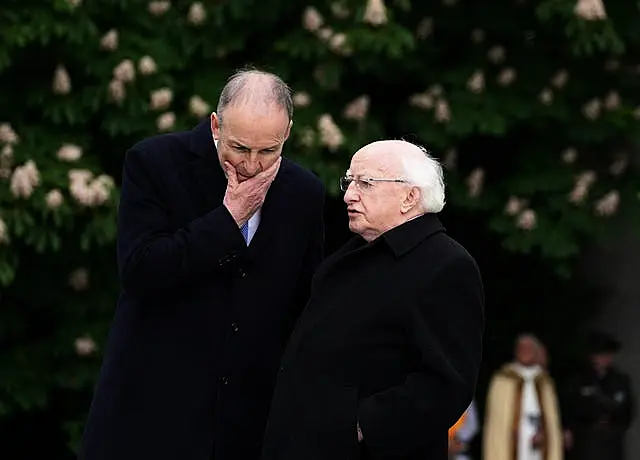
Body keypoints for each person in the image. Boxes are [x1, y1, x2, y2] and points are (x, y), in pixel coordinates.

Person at [79, 69, 326, 460]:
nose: (252, 165)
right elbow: (140, 270)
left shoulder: (305, 193)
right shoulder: (154, 163)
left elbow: (302, 306)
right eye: (240, 148)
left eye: (268, 151)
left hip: (248, 423)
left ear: (288, 134)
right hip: (151, 413)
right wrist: (228, 219)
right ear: (216, 124)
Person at [261, 140, 485, 460]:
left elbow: (446, 385)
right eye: (349, 181)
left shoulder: (445, 264)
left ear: (409, 197)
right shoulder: (354, 254)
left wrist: (359, 425)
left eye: (366, 183)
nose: (349, 194)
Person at [482, 334, 563, 460]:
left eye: (529, 348)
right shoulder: (503, 379)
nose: (525, 352)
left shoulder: (544, 382)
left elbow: (552, 420)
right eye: (522, 348)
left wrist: (545, 433)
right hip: (512, 441)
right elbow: (497, 421)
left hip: (538, 442)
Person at [563, 331, 634, 460]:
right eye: (601, 354)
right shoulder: (579, 380)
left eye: (608, 354)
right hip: (586, 438)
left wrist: (616, 428)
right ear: (592, 356)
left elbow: (628, 410)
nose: (605, 358)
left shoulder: (621, 380)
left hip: (612, 438)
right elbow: (569, 407)